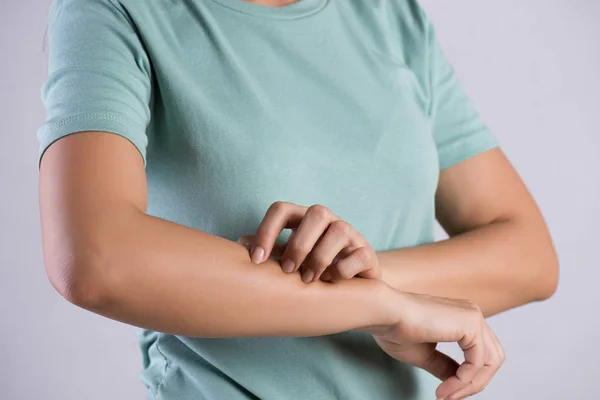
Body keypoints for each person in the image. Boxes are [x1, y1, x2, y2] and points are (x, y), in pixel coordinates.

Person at [36, 0, 559, 399]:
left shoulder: (387, 13)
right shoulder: (114, 10)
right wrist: (378, 305)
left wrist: (368, 284)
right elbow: (95, 257)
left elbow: (529, 255)